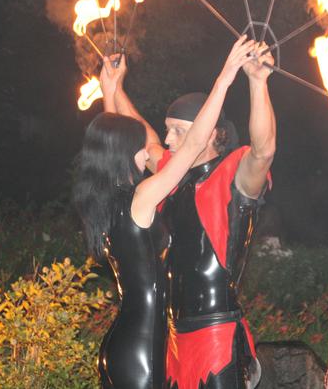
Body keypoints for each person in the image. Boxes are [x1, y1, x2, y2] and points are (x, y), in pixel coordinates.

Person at [73, 36, 257, 389]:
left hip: (121, 345)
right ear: (126, 153)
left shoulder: (111, 198)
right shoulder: (141, 198)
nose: (150, 151)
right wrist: (225, 78)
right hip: (143, 348)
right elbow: (189, 149)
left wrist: (110, 88)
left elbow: (116, 134)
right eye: (140, 148)